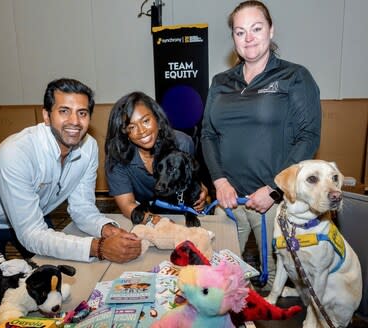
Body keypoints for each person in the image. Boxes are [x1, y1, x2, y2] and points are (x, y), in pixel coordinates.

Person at [0, 78, 141, 296]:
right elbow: (31, 234)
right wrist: (99, 247)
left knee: (49, 287)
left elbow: (82, 208)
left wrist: (106, 229)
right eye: (64, 111)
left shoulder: (88, 147)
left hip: (33, 214)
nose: (74, 121)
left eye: (82, 113)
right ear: (46, 116)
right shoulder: (16, 153)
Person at [201, 0, 321, 290]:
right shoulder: (220, 81)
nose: (249, 38)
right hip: (229, 200)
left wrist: (274, 188)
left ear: (271, 30)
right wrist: (219, 181)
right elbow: (208, 134)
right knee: (218, 283)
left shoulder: (294, 77)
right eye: (240, 32)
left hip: (271, 203)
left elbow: (308, 136)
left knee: (282, 286)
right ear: (233, 39)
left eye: (256, 28)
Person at [105, 91, 208, 224]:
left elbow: (190, 178)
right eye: (132, 127)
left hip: (178, 210)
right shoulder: (117, 158)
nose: (142, 131)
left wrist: (201, 191)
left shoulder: (182, 143)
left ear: (158, 120)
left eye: (146, 121)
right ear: (125, 132)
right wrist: (157, 222)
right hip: (142, 210)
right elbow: (127, 205)